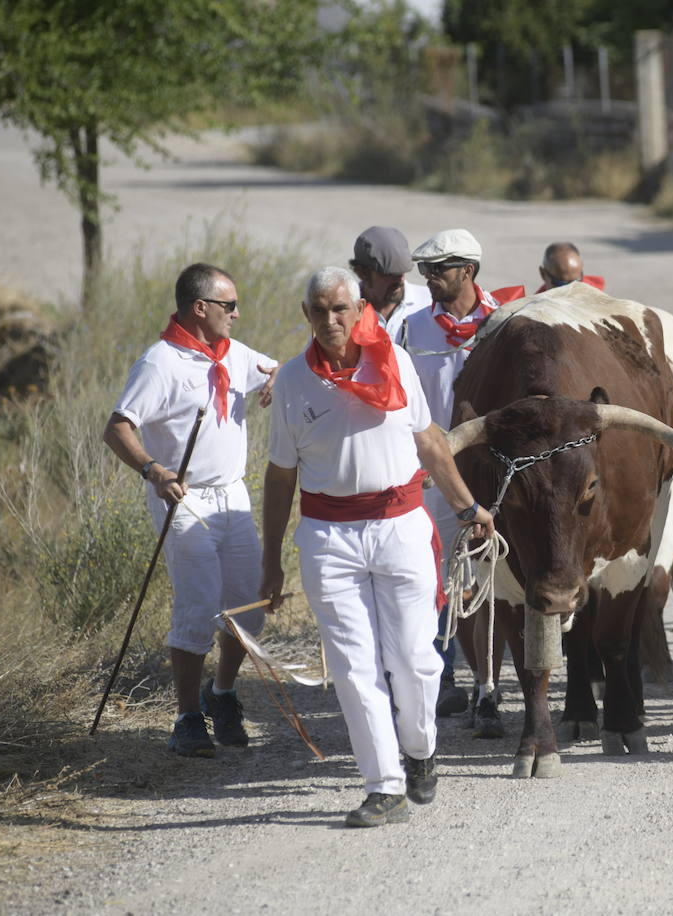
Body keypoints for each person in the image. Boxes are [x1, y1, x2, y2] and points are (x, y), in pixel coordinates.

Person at [260, 266, 494, 827]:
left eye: (340, 308)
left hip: (401, 525)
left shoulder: (393, 360)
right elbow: (278, 477)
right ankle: (383, 786)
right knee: (352, 665)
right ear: (307, 315)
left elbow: (430, 442)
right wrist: (270, 561)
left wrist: (467, 507)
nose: (331, 320)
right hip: (328, 536)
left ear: (357, 306)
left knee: (414, 659)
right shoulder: (292, 381)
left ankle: (419, 751)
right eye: (319, 310)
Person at [103, 263, 277, 757]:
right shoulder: (160, 363)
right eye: (229, 306)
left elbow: (279, 368)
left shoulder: (232, 354)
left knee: (249, 608)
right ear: (200, 308)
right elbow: (117, 427)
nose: (237, 314)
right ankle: (186, 718)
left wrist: (278, 378)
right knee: (199, 606)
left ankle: (220, 694)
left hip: (232, 494)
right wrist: (154, 471)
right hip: (184, 497)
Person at [405, 228, 522, 737]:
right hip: (434, 479)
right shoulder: (409, 330)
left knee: (501, 586)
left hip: (498, 477)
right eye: (424, 271)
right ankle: (477, 687)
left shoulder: (508, 325)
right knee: (454, 587)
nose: (428, 278)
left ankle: (496, 688)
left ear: (468, 271)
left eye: (438, 269)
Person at [349, 226, 432, 346]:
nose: (399, 280)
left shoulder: (429, 303)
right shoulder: (345, 310)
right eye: (389, 274)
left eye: (402, 272)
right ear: (362, 273)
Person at [534, 241, 605, 293]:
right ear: (543, 274)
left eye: (576, 283)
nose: (570, 291)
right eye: (560, 283)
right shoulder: (535, 308)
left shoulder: (594, 295)